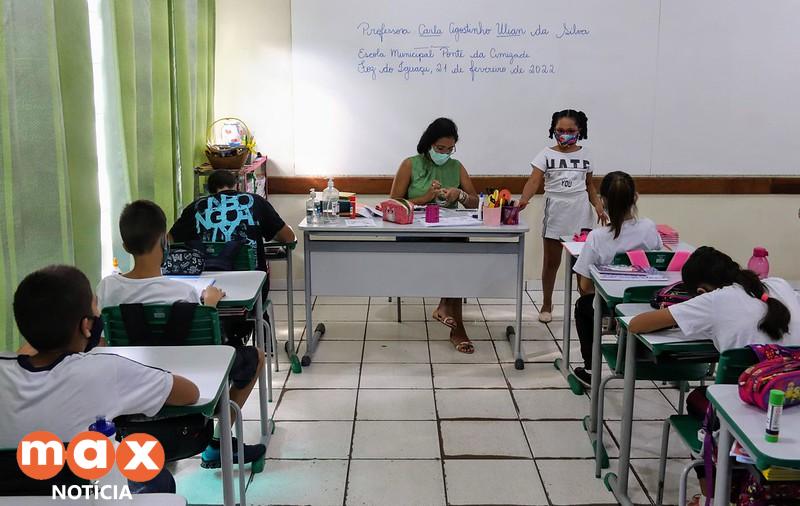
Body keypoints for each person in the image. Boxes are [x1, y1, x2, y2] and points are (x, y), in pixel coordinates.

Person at [96, 200, 266, 470]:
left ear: (126, 245)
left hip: (132, 381)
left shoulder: (108, 288)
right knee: (255, 356)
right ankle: (218, 441)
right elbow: (201, 330)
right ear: (165, 241)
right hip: (189, 381)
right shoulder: (182, 292)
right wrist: (208, 304)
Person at [0, 265, 199, 493]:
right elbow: (189, 393)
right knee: (157, 477)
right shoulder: (105, 370)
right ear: (86, 326)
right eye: (95, 306)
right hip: (86, 496)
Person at [629, 246, 800, 506]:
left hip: (750, 412)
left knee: (699, 401)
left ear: (700, 291)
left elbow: (637, 324)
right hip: (792, 400)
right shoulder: (779, 285)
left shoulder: (713, 300)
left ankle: (711, 496)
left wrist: (684, 313)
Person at [389, 117, 479, 353]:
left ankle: (449, 315)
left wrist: (459, 195)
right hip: (414, 233)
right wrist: (425, 198)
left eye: (450, 149)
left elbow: (474, 202)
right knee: (453, 252)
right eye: (440, 148)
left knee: (457, 247)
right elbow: (393, 203)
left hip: (448, 232)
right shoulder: (410, 164)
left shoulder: (456, 166)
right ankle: (448, 312)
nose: (445, 153)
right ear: (428, 144)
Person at [570, 171, 662, 385]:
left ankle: (592, 370)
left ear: (602, 201)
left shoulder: (597, 238)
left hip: (610, 309)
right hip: (646, 308)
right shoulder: (649, 228)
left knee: (583, 305)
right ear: (635, 198)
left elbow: (585, 286)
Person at [519, 109, 606, 323]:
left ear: (580, 131)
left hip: (580, 211)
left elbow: (589, 185)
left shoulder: (587, 155)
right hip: (556, 209)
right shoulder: (545, 154)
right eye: (560, 130)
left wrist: (598, 206)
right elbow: (534, 181)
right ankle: (547, 303)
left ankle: (586, 303)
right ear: (553, 130)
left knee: (582, 262)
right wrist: (523, 200)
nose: (565, 134)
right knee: (551, 262)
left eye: (570, 131)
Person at [170, 170, 295, 296]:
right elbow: (289, 237)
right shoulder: (256, 202)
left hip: (207, 290)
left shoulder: (195, 208)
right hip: (251, 287)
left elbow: (168, 240)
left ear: (209, 190)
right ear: (237, 186)